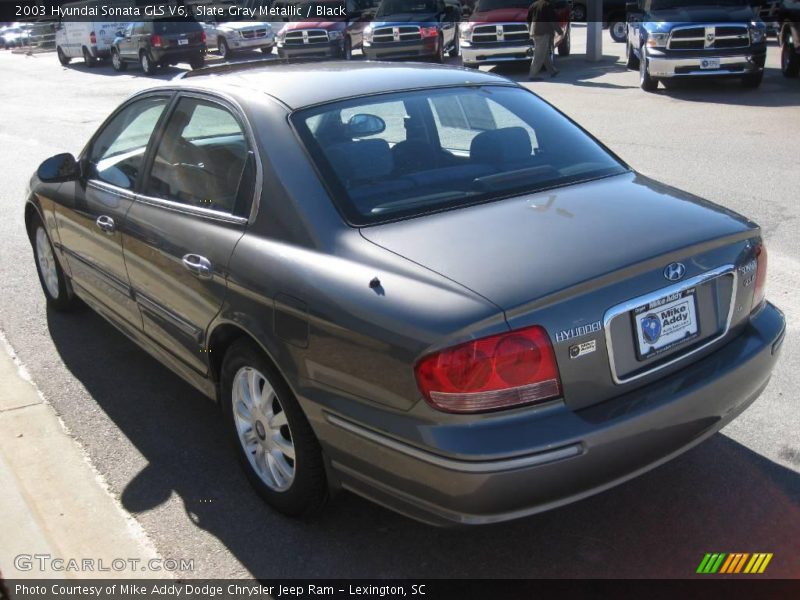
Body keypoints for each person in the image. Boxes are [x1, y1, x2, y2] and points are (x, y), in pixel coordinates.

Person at [527, 0, 563, 80]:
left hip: (534, 31)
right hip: (543, 32)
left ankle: (552, 71)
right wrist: (560, 32)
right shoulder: (547, 5)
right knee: (539, 54)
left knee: (544, 53)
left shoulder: (533, 4)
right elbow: (552, 20)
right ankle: (532, 75)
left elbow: (528, 19)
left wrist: (531, 30)